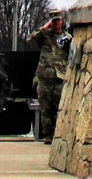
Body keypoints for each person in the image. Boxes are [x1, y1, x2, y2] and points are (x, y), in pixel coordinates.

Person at [28, 10, 70, 143]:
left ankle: (57, 133)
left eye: (58, 20)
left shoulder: (67, 38)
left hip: (60, 76)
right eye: (54, 21)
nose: (56, 23)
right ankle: (47, 135)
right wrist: (45, 27)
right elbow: (30, 39)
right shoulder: (45, 36)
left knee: (58, 106)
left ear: (62, 21)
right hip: (45, 76)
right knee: (45, 106)